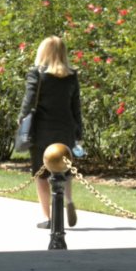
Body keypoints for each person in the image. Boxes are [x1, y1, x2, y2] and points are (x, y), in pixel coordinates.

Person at [18, 36, 81, 230]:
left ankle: (48, 217)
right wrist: (78, 132)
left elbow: (29, 101)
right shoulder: (71, 75)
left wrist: (21, 118)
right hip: (66, 129)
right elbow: (76, 107)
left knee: (41, 173)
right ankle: (68, 200)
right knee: (65, 169)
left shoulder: (37, 74)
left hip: (42, 130)